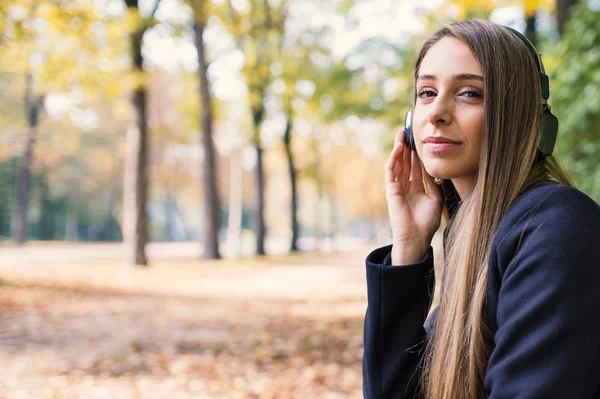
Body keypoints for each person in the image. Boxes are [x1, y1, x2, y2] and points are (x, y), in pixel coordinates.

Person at [362, 19, 600, 399]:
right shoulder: (476, 234)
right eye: (426, 92)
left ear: (516, 115)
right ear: (410, 124)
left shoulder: (555, 230)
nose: (436, 112)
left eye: (469, 93)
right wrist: (408, 247)